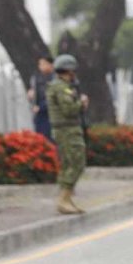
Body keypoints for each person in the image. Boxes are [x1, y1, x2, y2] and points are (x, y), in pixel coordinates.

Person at [46, 54, 89, 214]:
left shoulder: (61, 86)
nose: (74, 74)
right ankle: (63, 199)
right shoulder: (60, 87)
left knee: (69, 164)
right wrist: (81, 104)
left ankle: (66, 199)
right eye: (73, 71)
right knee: (76, 163)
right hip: (67, 130)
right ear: (68, 71)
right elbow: (69, 110)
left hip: (66, 129)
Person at [27, 55, 55, 142]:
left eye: (43, 64)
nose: (40, 66)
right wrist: (30, 96)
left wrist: (41, 107)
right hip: (39, 115)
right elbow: (34, 94)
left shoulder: (55, 79)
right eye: (40, 64)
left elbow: (53, 98)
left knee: (51, 140)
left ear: (51, 65)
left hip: (51, 115)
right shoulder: (36, 78)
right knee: (41, 140)